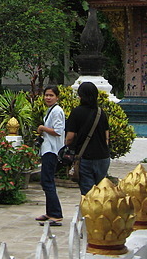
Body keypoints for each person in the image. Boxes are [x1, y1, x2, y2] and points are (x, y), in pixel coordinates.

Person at [64, 82, 110, 195]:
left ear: (80, 96)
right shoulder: (101, 113)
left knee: (88, 193)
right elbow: (106, 138)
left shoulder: (76, 112)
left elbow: (69, 138)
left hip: (85, 157)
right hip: (103, 157)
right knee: (101, 191)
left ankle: (91, 212)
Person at [34, 85, 65, 225]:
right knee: (46, 181)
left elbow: (58, 130)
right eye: (46, 95)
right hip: (47, 148)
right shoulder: (50, 110)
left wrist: (42, 128)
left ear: (57, 97)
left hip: (52, 150)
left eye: (51, 95)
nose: (48, 97)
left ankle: (56, 214)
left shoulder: (57, 111)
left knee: (47, 181)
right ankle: (50, 211)